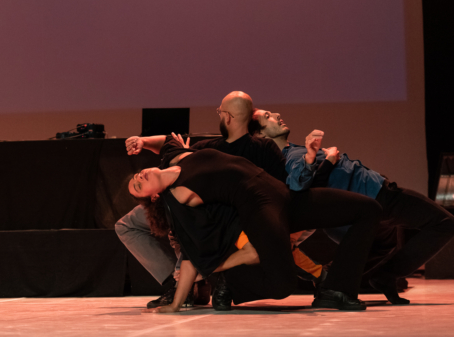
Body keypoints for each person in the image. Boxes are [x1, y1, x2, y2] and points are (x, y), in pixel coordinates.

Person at [129, 134, 382, 313]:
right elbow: (190, 253)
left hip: (285, 195)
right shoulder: (179, 199)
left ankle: (337, 289)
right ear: (154, 196)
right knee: (283, 285)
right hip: (260, 209)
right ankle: (231, 281)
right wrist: (176, 304)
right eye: (138, 186)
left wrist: (142, 141)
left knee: (368, 210)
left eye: (136, 176)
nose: (139, 177)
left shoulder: (176, 157)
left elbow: (166, 141)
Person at [117, 92, 323, 310]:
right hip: (182, 202)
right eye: (267, 116)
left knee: (195, 226)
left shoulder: (263, 149)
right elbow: (171, 147)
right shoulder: (208, 147)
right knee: (139, 224)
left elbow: (278, 193)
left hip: (230, 214)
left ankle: (194, 284)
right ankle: (179, 285)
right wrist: (146, 142)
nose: (277, 116)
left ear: (230, 118)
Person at [252, 109, 454, 305]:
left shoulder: (291, 151)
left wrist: (324, 160)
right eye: (267, 117)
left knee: (383, 242)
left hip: (363, 198)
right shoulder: (286, 157)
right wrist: (321, 158)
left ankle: (332, 281)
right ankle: (382, 277)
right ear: (259, 135)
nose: (276, 115)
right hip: (371, 194)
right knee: (444, 223)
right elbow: (298, 185)